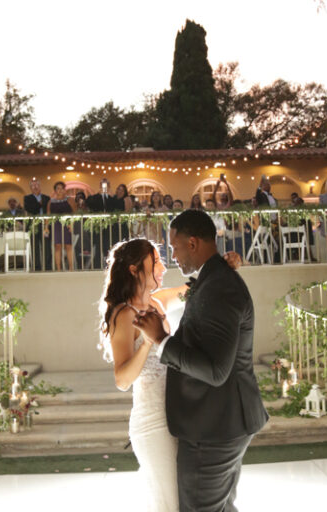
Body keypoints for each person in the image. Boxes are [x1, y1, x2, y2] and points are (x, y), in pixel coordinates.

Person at [133, 210, 268, 511]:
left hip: (215, 429)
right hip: (219, 421)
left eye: (174, 247)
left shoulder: (219, 286)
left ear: (192, 243)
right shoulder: (212, 279)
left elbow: (216, 370)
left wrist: (161, 340)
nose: (173, 256)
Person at [99, 237, 243, 511]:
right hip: (153, 424)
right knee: (169, 505)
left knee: (184, 500)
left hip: (179, 418)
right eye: (156, 261)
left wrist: (225, 266)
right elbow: (122, 380)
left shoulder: (158, 301)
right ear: (133, 269)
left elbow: (197, 289)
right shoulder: (124, 314)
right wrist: (149, 341)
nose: (163, 266)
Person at [86, 179, 124, 268]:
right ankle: (98, 266)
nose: (104, 187)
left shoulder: (113, 197)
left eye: (106, 185)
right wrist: (98, 193)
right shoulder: (95, 197)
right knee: (99, 246)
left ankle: (112, 265)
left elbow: (120, 206)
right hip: (99, 226)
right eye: (103, 185)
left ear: (109, 187)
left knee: (110, 246)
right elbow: (89, 203)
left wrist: (112, 196)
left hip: (111, 226)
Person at [46, 181, 76, 270]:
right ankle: (58, 268)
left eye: (62, 188)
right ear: (55, 190)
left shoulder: (70, 200)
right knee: (57, 246)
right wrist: (46, 227)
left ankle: (71, 268)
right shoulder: (50, 202)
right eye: (58, 188)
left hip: (67, 224)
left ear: (64, 190)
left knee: (68, 245)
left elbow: (74, 213)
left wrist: (72, 224)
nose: (60, 190)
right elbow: (48, 215)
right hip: (56, 225)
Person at [24, 179, 51, 271]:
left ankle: (47, 267)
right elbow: (30, 209)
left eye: (37, 185)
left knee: (46, 245)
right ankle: (36, 267)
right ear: (30, 188)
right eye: (33, 186)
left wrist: (38, 205)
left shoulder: (46, 198)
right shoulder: (27, 198)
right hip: (33, 225)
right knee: (34, 245)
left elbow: (49, 210)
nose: (35, 187)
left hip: (45, 224)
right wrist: (39, 204)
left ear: (40, 187)